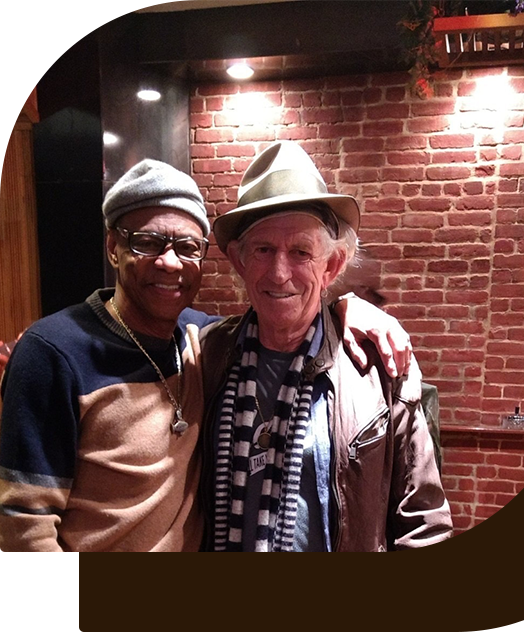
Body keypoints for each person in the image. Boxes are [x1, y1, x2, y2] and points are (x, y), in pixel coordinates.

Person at [0, 158, 412, 552]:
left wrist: (349, 307)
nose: (168, 262)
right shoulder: (55, 351)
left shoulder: (202, 341)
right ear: (112, 247)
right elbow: (23, 527)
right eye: (146, 242)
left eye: (187, 247)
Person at [198, 141, 452, 552]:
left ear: (332, 265)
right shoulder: (206, 356)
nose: (280, 273)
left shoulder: (379, 365)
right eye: (263, 250)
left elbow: (423, 522)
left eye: (300, 252)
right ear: (239, 261)